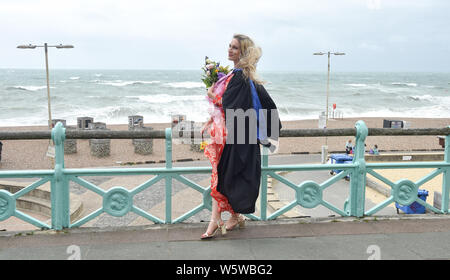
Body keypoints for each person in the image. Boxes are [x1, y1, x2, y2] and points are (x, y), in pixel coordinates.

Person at [201, 34, 281, 239]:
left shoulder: (241, 77)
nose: (230, 50)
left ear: (242, 52)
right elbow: (235, 105)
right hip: (240, 136)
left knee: (224, 178)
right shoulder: (239, 75)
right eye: (229, 46)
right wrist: (211, 120)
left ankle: (217, 220)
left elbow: (231, 105)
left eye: (235, 48)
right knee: (227, 177)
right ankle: (235, 217)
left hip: (240, 138)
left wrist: (211, 96)